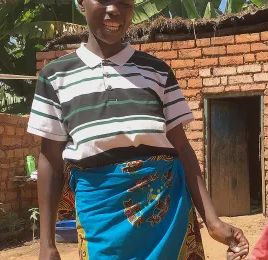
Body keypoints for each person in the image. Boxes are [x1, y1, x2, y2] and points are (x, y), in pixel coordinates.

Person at [27, 0, 249, 259]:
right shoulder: (55, 76)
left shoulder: (157, 71)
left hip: (166, 213)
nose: (114, 10)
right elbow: (50, 159)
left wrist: (212, 221)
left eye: (125, 2)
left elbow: (182, 149)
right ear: (80, 2)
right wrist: (47, 244)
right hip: (101, 216)